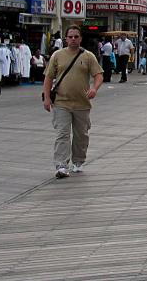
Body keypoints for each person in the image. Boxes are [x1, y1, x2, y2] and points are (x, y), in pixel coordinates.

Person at [42, 25, 104, 179]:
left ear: (80, 38)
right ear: (66, 39)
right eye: (70, 37)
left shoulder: (88, 56)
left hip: (82, 104)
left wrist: (94, 89)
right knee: (62, 134)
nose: (73, 39)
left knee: (81, 135)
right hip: (62, 102)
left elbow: (99, 75)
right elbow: (48, 77)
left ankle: (78, 161)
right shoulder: (57, 55)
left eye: (76, 36)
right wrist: (47, 98)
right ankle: (62, 165)